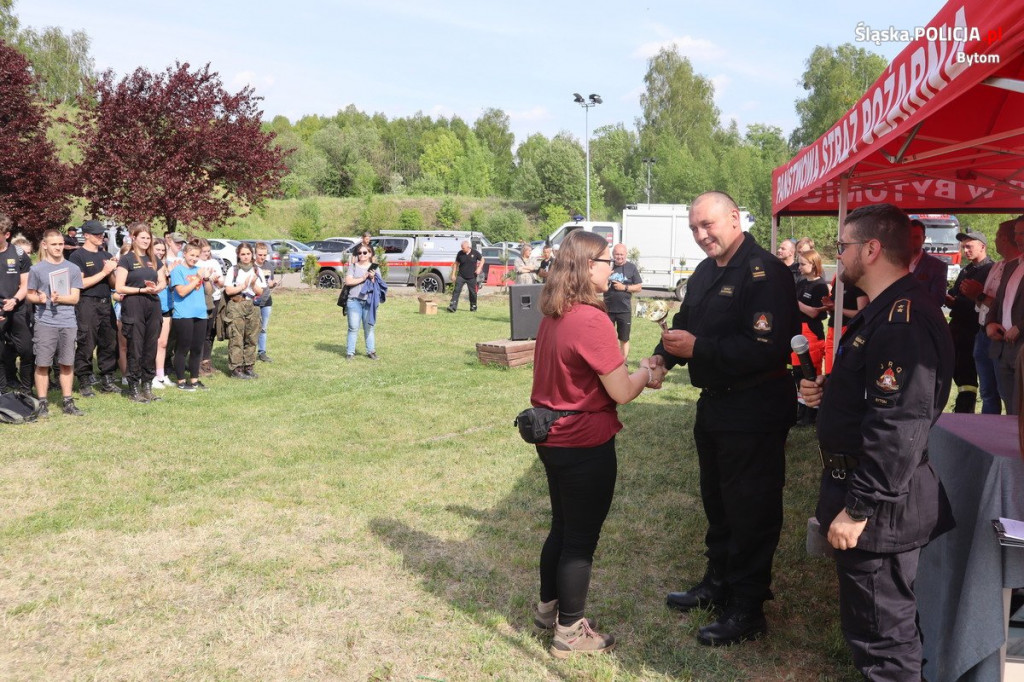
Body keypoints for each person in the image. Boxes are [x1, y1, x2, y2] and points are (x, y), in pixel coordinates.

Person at [800, 203, 954, 681]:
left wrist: (859, 508)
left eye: (842, 246)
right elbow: (879, 399)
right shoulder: (885, 311)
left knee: (883, 640)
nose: (837, 257)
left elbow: (900, 425)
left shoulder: (901, 320)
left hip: (880, 504)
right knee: (882, 627)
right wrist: (834, 394)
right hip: (872, 491)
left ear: (870, 249)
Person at [645, 191, 798, 646]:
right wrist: (660, 359)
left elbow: (769, 347)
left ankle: (748, 607)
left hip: (754, 407)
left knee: (751, 508)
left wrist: (699, 350)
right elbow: (684, 322)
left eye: (707, 225)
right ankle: (717, 584)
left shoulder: (765, 272)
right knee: (718, 501)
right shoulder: (706, 270)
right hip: (715, 405)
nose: (701, 235)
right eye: (694, 228)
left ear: (734, 218)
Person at [530, 229, 654, 658]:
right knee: (579, 540)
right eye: (607, 261)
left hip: (552, 438)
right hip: (583, 442)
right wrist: (646, 372)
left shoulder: (554, 313)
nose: (613, 267)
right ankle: (569, 632)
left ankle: (549, 609)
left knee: (562, 528)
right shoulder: (590, 318)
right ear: (587, 267)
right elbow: (621, 391)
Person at [26, 229, 85, 416]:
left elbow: (75, 298)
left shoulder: (73, 268)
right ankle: (42, 402)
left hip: (68, 321)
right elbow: (29, 295)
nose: (58, 248)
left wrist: (59, 298)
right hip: (45, 322)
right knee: (42, 363)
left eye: (60, 244)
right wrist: (40, 299)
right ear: (45, 245)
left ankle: (68, 402)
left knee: (67, 363)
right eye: (54, 244)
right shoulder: (36, 269)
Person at [966, 219, 1020, 414]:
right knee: (987, 390)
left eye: (997, 236)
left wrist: (979, 295)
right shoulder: (997, 266)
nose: (994, 240)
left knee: (1008, 394)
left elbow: (1001, 303)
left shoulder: (1017, 266)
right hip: (984, 332)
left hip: (1005, 337)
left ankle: (1010, 435)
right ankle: (988, 435)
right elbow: (994, 302)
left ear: (1005, 238)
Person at [114, 222, 166, 402]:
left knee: (151, 346)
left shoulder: (154, 259)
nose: (146, 241)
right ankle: (133, 387)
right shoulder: (126, 259)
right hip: (134, 303)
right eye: (142, 237)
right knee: (135, 346)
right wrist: (140, 290)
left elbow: (163, 281)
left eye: (148, 238)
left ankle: (147, 385)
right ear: (133, 238)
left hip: (153, 304)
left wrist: (157, 288)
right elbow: (119, 286)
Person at [68, 220, 120, 397]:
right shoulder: (78, 256)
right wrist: (104, 272)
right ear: (87, 235)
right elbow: (80, 283)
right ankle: (84, 379)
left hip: (106, 302)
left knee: (109, 342)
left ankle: (107, 378)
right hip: (87, 303)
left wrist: (112, 271)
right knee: (86, 342)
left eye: (102, 234)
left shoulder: (104, 254)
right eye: (97, 234)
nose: (101, 237)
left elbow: (113, 285)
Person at [944, 231, 994, 413]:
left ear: (983, 246)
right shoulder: (966, 270)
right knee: (956, 369)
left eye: (969, 246)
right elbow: (956, 293)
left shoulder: (990, 270)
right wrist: (950, 298)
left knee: (968, 374)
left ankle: (965, 410)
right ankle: (961, 408)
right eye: (963, 247)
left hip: (973, 330)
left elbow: (987, 302)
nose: (965, 250)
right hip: (957, 327)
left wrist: (956, 301)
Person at [984, 216, 1024, 415]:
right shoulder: (1012, 265)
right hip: (1003, 346)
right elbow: (998, 300)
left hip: (1022, 345)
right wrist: (990, 323)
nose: (1018, 238)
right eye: (1016, 233)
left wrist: (1021, 327)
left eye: (1022, 233)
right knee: (1010, 409)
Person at [169, 242, 213, 390]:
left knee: (197, 349)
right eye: (191, 255)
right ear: (184, 254)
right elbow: (181, 291)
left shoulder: (199, 270)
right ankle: (181, 381)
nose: (194, 258)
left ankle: (194, 380)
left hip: (200, 313)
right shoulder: (178, 271)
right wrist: (197, 279)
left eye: (196, 256)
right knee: (183, 348)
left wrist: (206, 279)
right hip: (184, 315)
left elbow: (209, 291)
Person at [793, 249, 829, 426]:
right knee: (798, 374)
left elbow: (815, 313)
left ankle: (811, 413)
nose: (799, 267)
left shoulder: (820, 286)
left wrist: (796, 303)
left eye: (802, 264)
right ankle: (801, 411)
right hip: (799, 332)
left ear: (813, 265)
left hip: (813, 335)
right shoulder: (800, 283)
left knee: (811, 374)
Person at [0, 213, 34, 394]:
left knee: (27, 350)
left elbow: (25, 284)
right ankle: (3, 391)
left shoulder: (19, 254)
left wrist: (14, 300)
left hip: (18, 307)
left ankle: (26, 390)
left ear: (6, 235)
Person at [222, 242, 264, 379]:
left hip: (252, 304)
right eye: (243, 254)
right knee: (236, 337)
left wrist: (252, 284)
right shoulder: (233, 270)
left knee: (252, 337)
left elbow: (260, 291)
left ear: (252, 255)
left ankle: (249, 366)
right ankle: (236, 368)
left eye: (248, 254)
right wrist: (243, 286)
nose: (246, 257)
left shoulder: (257, 270)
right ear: (238, 256)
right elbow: (228, 290)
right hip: (236, 304)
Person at [344, 243, 386, 359]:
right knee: (353, 327)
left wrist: (372, 278)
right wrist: (363, 278)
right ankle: (350, 353)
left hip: (369, 301)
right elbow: (348, 282)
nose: (362, 255)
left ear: (370, 254)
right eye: (359, 253)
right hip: (354, 300)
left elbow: (379, 286)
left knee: (369, 327)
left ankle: (371, 351)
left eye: (364, 253)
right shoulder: (353, 266)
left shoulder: (374, 268)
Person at [822, 276, 868, 375]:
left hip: (849, 330)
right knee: (829, 372)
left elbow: (862, 314)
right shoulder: (837, 283)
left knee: (843, 372)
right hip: (832, 329)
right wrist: (829, 307)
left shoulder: (858, 284)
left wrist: (836, 308)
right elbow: (833, 311)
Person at [603, 243, 642, 358]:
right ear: (613, 254)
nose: (619, 257)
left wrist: (624, 287)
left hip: (624, 310)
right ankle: (609, 361)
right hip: (608, 309)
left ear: (626, 254)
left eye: (621, 254)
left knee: (624, 339)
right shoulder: (607, 266)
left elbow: (639, 287)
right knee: (606, 338)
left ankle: (623, 363)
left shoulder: (631, 267)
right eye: (616, 254)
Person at [194, 239, 224, 376]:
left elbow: (221, 282)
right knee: (200, 333)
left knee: (210, 332)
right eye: (204, 251)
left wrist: (215, 279)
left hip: (215, 298)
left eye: (208, 251)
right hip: (201, 300)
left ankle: (206, 361)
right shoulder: (196, 263)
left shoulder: (214, 262)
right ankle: (197, 363)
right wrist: (208, 277)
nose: (207, 253)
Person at [908, 218, 949, 309]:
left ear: (924, 239)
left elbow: (938, 300)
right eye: (908, 237)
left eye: (916, 237)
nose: (912, 241)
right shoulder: (895, 262)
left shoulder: (938, 267)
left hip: (921, 319)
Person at [151, 239, 175, 389]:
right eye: (157, 249)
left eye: (162, 250)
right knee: (151, 344)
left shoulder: (166, 266)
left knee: (163, 343)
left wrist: (170, 275)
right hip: (152, 307)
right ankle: (150, 374)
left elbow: (172, 288)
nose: (160, 252)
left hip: (166, 307)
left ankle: (160, 374)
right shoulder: (147, 265)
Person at [254, 242, 280, 363]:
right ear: (255, 254)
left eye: (265, 255)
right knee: (252, 328)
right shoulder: (251, 267)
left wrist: (273, 283)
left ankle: (262, 352)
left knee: (263, 328)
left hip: (266, 301)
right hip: (253, 301)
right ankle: (248, 352)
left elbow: (271, 280)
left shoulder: (269, 266)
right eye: (260, 254)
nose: (262, 257)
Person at [447, 240, 483, 313]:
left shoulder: (475, 253)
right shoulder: (460, 253)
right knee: (456, 290)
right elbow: (456, 264)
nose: (462, 249)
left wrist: (479, 268)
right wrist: (453, 274)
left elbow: (483, 259)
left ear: (468, 247)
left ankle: (473, 306)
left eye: (463, 248)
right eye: (461, 248)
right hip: (461, 276)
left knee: (473, 293)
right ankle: (452, 306)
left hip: (472, 276)